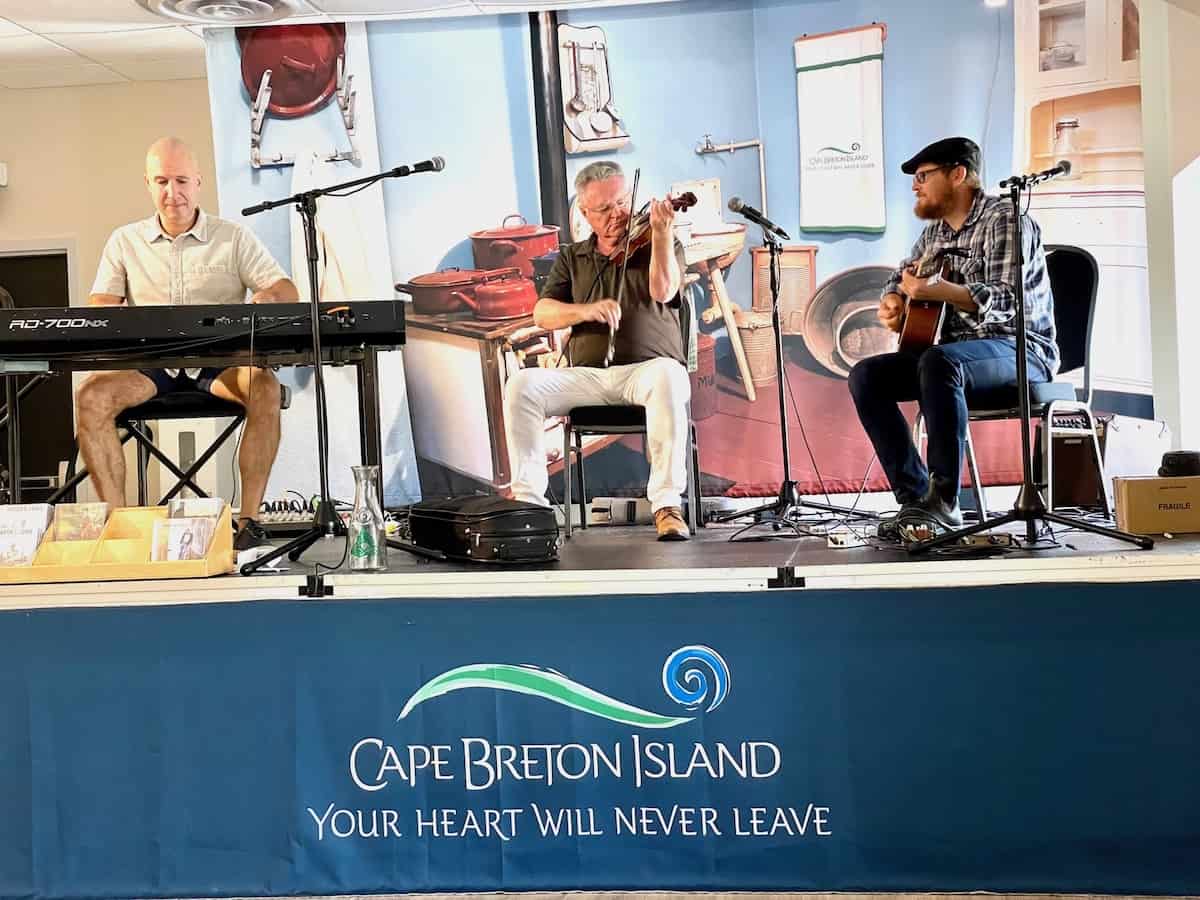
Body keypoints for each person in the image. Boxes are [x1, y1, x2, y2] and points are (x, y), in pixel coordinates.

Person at [77, 137, 299, 551]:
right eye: (161, 181)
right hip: (150, 366)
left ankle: (248, 521)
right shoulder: (124, 241)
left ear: (198, 182)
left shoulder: (233, 237)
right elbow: (101, 305)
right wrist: (110, 308)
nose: (171, 192)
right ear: (147, 183)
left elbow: (285, 290)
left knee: (265, 387)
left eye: (181, 180)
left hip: (221, 365)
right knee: (91, 396)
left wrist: (268, 296)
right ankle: (119, 523)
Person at [847, 137, 1059, 535]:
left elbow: (1008, 300)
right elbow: (901, 275)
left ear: (958, 174)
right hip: (954, 361)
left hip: (1021, 349)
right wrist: (893, 296)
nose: (915, 186)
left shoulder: (1006, 220)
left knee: (938, 360)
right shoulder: (935, 233)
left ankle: (945, 500)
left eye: (924, 176)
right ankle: (916, 500)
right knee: (866, 376)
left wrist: (943, 292)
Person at [503, 160, 693, 541]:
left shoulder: (661, 242)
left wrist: (659, 233)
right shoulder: (573, 257)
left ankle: (667, 505)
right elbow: (543, 313)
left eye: (622, 202)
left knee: (670, 375)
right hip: (588, 376)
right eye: (604, 209)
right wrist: (585, 310)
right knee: (521, 385)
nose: (618, 214)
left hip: (647, 372)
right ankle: (529, 505)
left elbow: (664, 291)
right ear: (585, 214)